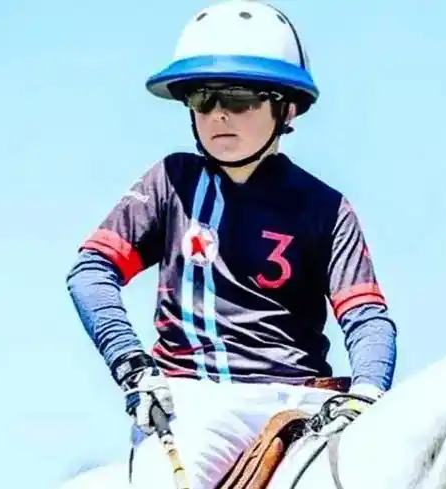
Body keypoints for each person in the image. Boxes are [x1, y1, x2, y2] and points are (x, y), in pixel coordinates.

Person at [66, 1, 397, 488]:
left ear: (286, 107)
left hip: (309, 401)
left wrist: (368, 392)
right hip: (196, 403)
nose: (219, 113)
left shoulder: (328, 207)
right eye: (202, 97)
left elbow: (366, 317)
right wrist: (132, 366)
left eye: (240, 98)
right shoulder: (171, 181)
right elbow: (92, 270)